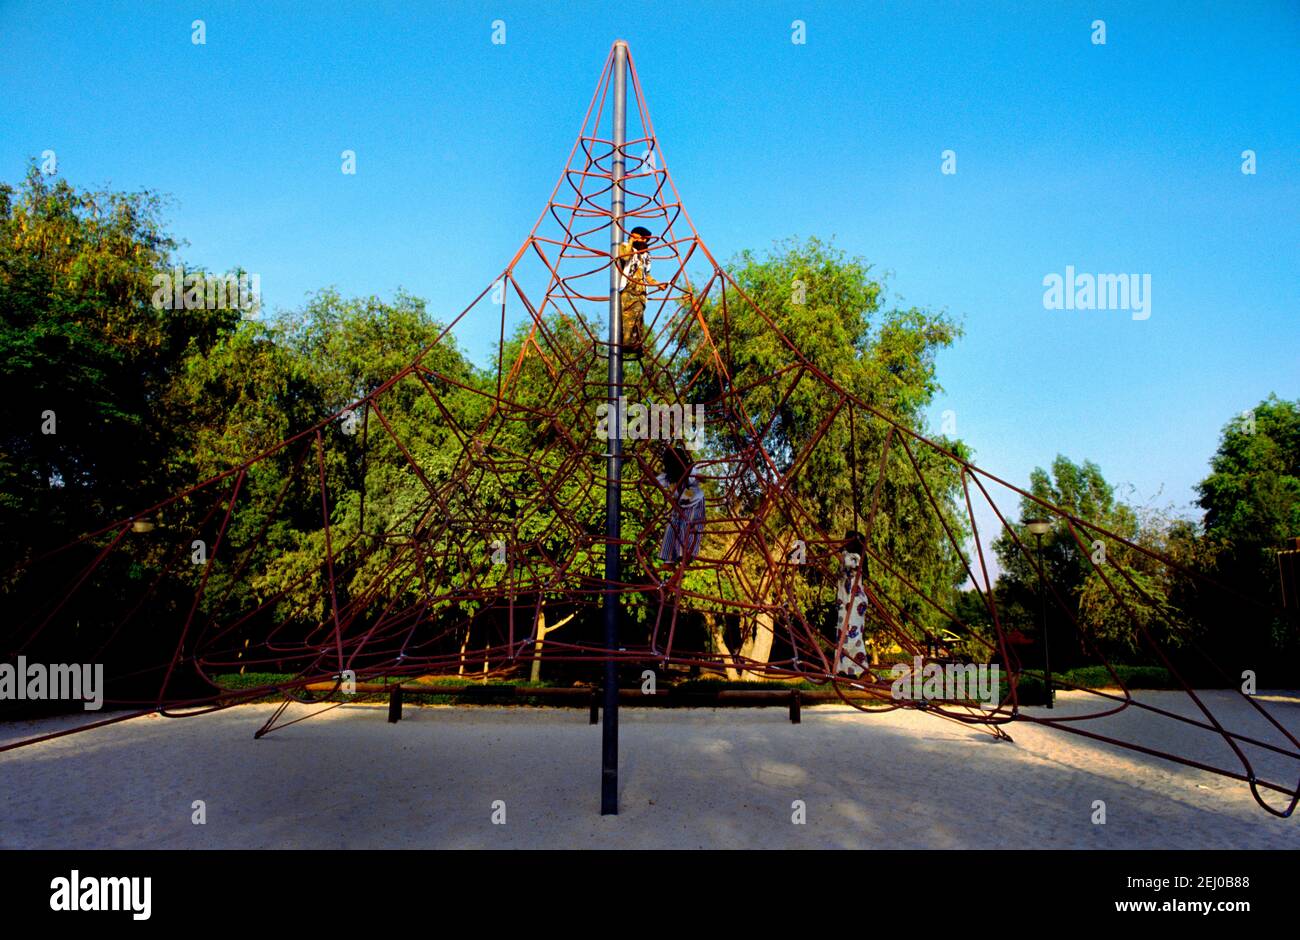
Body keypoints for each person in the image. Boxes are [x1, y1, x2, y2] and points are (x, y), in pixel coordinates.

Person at [615, 225, 664, 357]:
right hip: (629, 289)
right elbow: (624, 257)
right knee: (629, 318)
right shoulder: (626, 247)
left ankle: (637, 344)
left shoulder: (646, 256)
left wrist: (657, 284)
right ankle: (627, 343)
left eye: (645, 240)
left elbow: (647, 274)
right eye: (641, 239)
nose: (644, 242)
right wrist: (631, 241)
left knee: (639, 319)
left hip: (641, 291)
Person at [656, 444, 705, 565]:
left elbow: (703, 478)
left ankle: (687, 554)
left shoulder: (689, 470)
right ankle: (669, 559)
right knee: (671, 527)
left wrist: (699, 476)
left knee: (687, 525)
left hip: (695, 503)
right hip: (680, 505)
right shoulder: (668, 477)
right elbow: (655, 481)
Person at [833, 529, 873, 678]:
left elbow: (846, 562)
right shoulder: (847, 556)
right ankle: (844, 670)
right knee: (842, 636)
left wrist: (836, 547)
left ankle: (863, 671)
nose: (844, 543)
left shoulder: (855, 558)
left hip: (855, 602)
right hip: (845, 601)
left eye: (846, 541)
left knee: (853, 635)